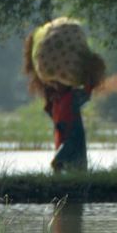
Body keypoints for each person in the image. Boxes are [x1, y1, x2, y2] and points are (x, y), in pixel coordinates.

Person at [22, 30, 100, 174]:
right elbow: (51, 113)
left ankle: (70, 186)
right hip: (62, 135)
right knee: (66, 167)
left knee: (62, 163)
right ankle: (63, 187)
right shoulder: (55, 100)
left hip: (72, 136)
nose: (57, 85)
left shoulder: (73, 96)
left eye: (59, 83)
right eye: (55, 83)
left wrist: (91, 77)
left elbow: (87, 94)